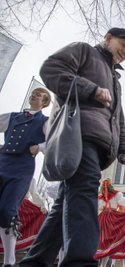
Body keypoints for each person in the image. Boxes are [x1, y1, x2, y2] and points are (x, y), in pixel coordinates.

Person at [19, 27, 125, 266]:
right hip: (79, 134)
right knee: (85, 191)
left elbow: (118, 118)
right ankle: (80, 261)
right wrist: (91, 90)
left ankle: (34, 262)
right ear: (107, 38)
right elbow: (50, 69)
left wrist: (124, 149)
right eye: (122, 46)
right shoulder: (84, 51)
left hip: (99, 142)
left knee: (65, 203)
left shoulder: (115, 81)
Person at [0, 87, 51, 266]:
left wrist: (40, 147)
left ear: (45, 102)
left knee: (7, 211)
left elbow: (55, 139)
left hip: (22, 167)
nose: (34, 95)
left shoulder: (45, 121)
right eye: (33, 93)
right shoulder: (12, 116)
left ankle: (9, 260)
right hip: (2, 161)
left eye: (39, 94)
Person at [95, 178, 125, 266]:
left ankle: (103, 265)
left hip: (103, 219)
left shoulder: (100, 197)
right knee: (107, 243)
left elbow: (95, 208)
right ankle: (103, 264)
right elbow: (124, 202)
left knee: (104, 243)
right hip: (113, 219)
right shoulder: (115, 195)